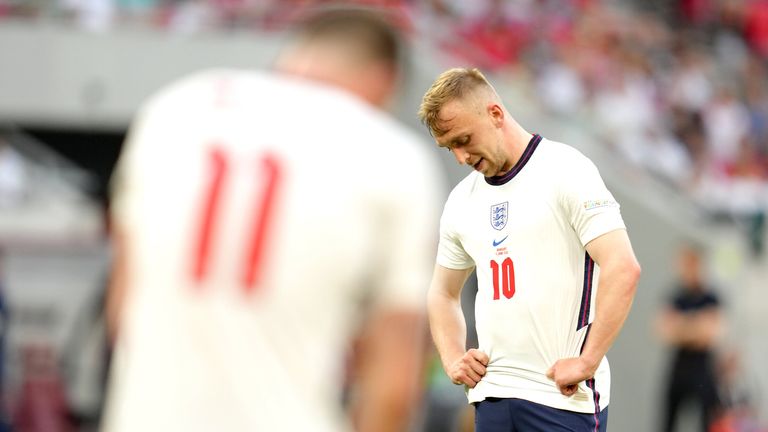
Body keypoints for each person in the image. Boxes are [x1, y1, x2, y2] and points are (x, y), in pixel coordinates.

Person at [102, 7, 443, 432]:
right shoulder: (393, 157)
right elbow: (393, 382)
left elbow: (122, 309)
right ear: (384, 79)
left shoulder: (173, 108)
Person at [418, 67, 641, 431]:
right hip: (493, 397)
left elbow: (623, 267)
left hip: (561, 399)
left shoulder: (566, 169)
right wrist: (453, 357)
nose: (460, 157)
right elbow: (442, 293)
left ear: (494, 113)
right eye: (449, 148)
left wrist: (587, 362)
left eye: (463, 139)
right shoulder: (461, 200)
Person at [655, 244, 723, 432]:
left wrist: (681, 325)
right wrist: (696, 324)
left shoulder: (711, 297)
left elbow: (709, 335)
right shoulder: (675, 296)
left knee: (705, 423)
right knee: (667, 423)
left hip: (702, 370)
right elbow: (664, 332)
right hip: (678, 369)